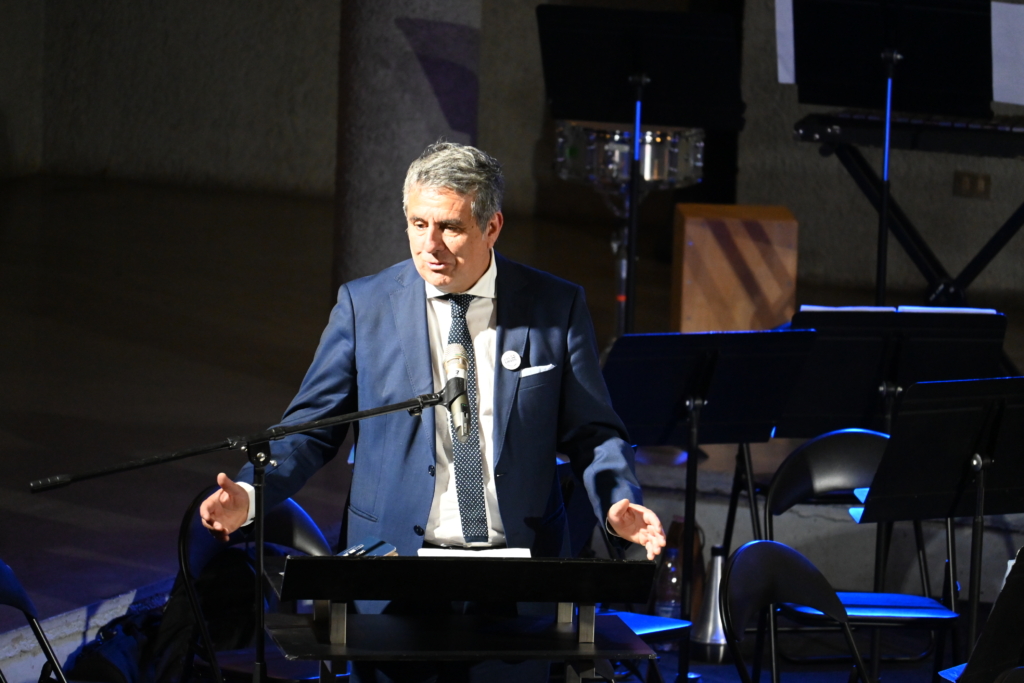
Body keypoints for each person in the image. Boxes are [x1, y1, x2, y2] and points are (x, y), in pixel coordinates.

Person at [199, 142, 665, 680]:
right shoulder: (364, 306)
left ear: (492, 226)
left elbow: (594, 432)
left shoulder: (554, 306)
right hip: (393, 577)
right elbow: (310, 430)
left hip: (517, 587)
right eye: (418, 225)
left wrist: (617, 500)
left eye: (450, 227)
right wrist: (251, 495)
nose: (430, 245)